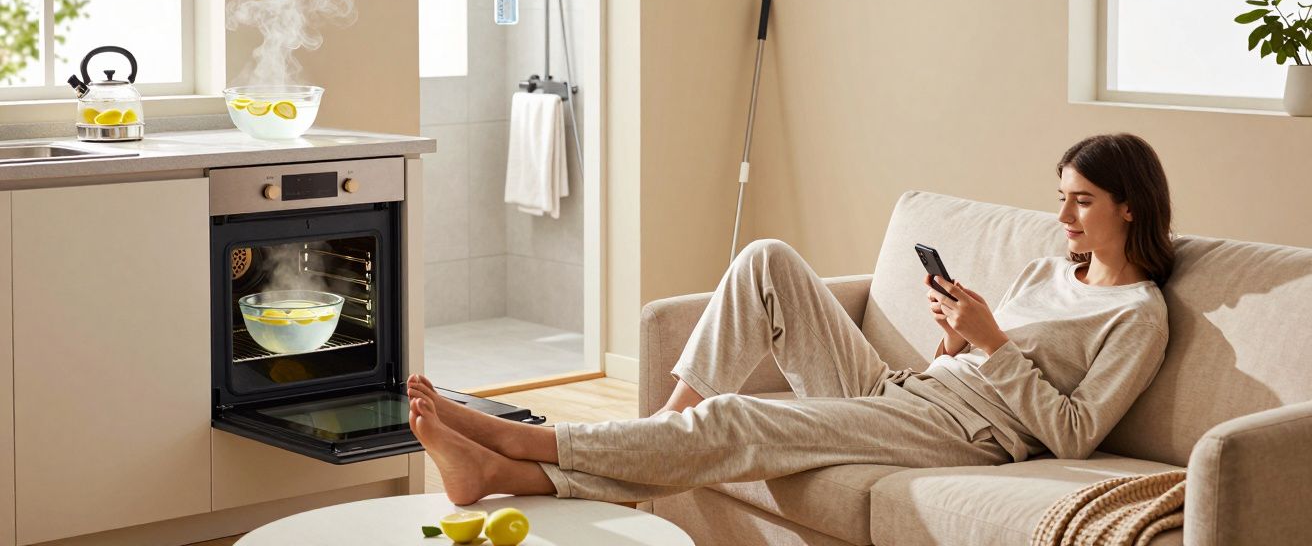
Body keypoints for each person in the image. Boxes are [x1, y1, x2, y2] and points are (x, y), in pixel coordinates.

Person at [407, 132, 1175, 506]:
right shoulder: (1049, 267)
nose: (1063, 215)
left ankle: (519, 445)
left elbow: (1075, 431)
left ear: (1128, 207)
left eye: (1081, 201)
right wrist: (955, 335)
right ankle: (667, 427)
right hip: (913, 389)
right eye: (1062, 196)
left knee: (745, 419)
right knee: (768, 258)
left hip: (963, 438)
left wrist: (993, 343)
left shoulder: (1138, 318)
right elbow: (974, 359)